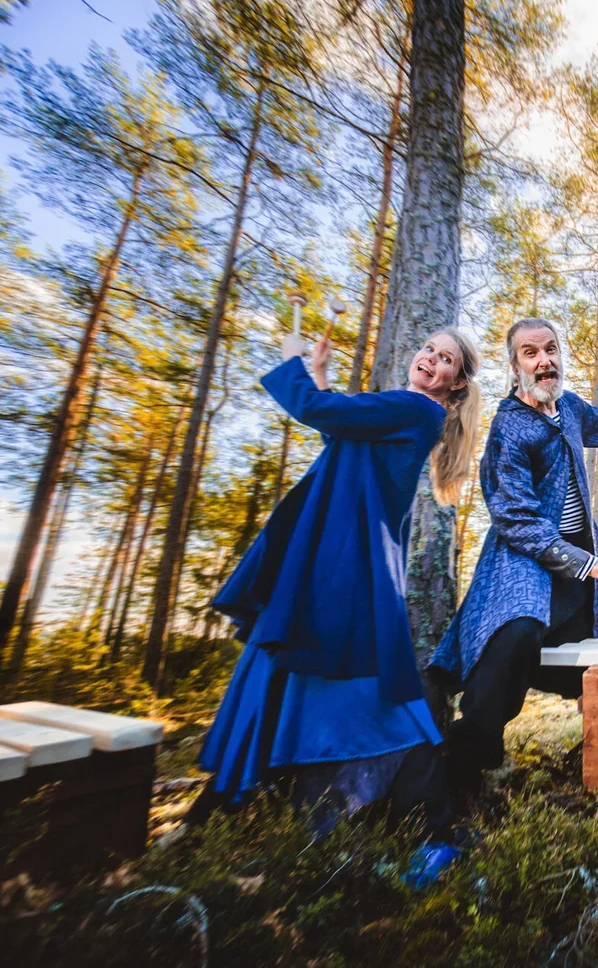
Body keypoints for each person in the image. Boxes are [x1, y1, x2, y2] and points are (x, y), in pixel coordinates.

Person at [192, 325, 482, 856]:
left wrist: (295, 365)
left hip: (349, 554)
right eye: (428, 350)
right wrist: (323, 377)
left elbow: (319, 413)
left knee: (352, 669)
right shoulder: (406, 412)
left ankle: (423, 818)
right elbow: (344, 436)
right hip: (339, 546)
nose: (430, 360)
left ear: (455, 384)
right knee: (301, 661)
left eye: (445, 360)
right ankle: (240, 802)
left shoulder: (417, 409)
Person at [431, 318, 598, 798]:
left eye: (550, 349)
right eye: (530, 353)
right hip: (525, 563)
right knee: (515, 636)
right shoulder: (509, 424)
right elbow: (515, 517)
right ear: (515, 367)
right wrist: (595, 564)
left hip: (584, 568)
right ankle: (460, 778)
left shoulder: (571, 407)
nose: (544, 360)